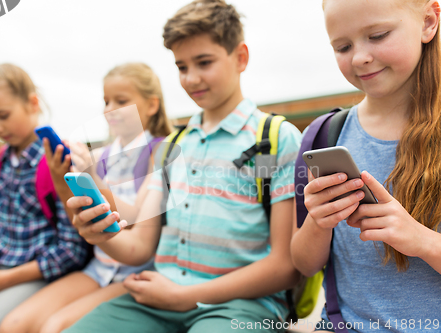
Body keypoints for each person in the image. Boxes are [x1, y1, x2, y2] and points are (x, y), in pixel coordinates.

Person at [63, 1, 302, 332]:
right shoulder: (171, 147)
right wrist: (98, 234)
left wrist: (185, 295)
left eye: (204, 62)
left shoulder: (276, 138)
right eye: (181, 66)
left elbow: (286, 266)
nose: (191, 78)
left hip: (243, 306)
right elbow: (137, 248)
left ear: (240, 58)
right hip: (158, 299)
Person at [291, 1, 441, 332]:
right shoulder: (324, 135)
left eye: (378, 35)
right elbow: (303, 262)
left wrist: (423, 241)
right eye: (342, 47)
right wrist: (318, 222)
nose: (359, 57)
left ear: (429, 21)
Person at [0, 62, 172, 333]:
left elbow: (138, 218)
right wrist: (60, 177)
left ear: (151, 105)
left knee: (53, 327)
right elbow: (80, 222)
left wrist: (95, 179)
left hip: (136, 274)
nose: (109, 109)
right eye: (106, 101)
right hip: (98, 268)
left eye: (121, 101)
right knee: (13, 326)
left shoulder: (160, 152)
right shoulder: (100, 156)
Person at [0, 62, 89, 333]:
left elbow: (72, 251)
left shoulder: (58, 160)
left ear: (32, 103)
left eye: (3, 115)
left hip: (40, 278)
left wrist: (1, 280)